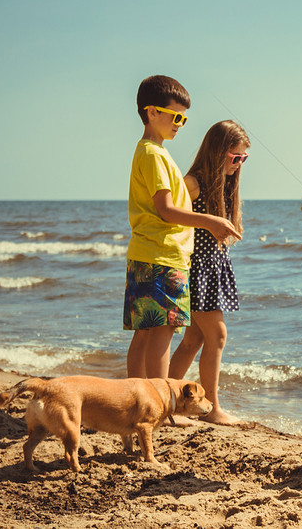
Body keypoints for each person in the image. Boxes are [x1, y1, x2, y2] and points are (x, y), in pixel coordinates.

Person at [124, 75, 239, 381]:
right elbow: (166, 210)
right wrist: (212, 221)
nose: (180, 124)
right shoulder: (152, 154)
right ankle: (160, 404)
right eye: (176, 116)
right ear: (152, 112)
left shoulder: (154, 153)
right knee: (162, 332)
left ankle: (139, 400)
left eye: (184, 119)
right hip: (162, 255)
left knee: (146, 333)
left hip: (151, 253)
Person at [168, 121, 249, 425]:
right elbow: (170, 217)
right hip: (195, 268)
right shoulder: (193, 183)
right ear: (218, 152)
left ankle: (169, 403)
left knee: (194, 340)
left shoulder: (224, 185)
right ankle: (212, 408)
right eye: (235, 157)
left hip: (212, 268)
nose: (239, 164)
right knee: (217, 334)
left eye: (244, 159)